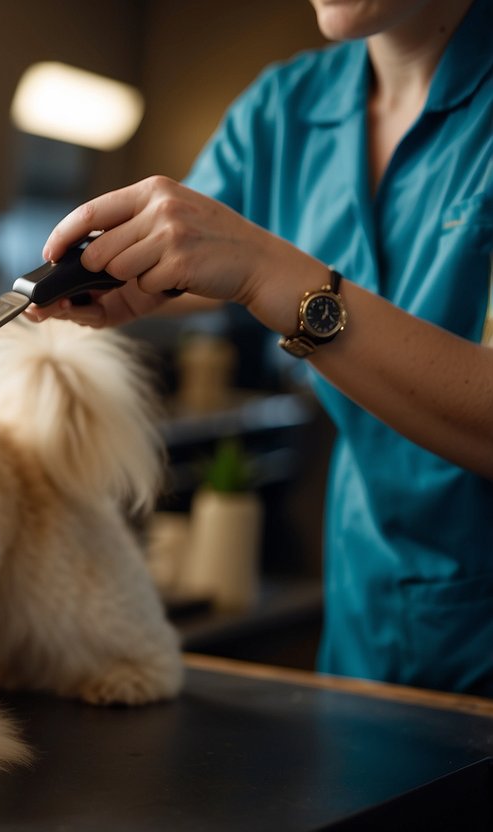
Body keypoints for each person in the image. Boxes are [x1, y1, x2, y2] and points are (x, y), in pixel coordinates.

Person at [29, 0, 493, 696]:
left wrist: (269, 272)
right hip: (368, 622)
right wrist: (122, 277)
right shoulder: (284, 108)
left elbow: (246, 260)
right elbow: (196, 259)